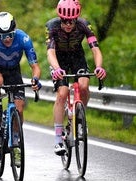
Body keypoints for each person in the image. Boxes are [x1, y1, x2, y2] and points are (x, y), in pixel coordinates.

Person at [45, 0, 107, 156]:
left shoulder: (84, 24)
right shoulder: (52, 26)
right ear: (60, 18)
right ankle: (58, 139)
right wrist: (57, 68)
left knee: (84, 86)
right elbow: (50, 52)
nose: (68, 25)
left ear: (76, 19)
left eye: (71, 21)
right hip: (59, 60)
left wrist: (99, 66)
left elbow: (95, 49)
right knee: (62, 93)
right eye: (64, 21)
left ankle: (80, 117)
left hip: (77, 57)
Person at [0, 11, 42, 137]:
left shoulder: (23, 38)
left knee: (19, 110)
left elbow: (35, 66)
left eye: (10, 34)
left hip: (14, 70)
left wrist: (35, 78)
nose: (8, 39)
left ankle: (15, 140)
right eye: (4, 36)